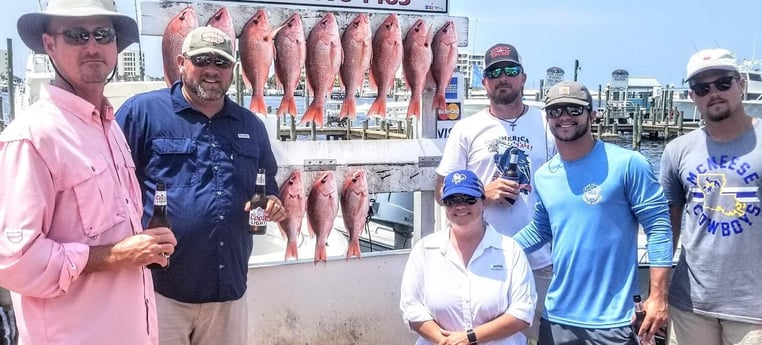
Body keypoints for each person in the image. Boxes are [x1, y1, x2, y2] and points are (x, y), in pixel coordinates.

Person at [0, 0, 177, 343]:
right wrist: (116, 256)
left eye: (102, 34)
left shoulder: (111, 129)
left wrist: (146, 244)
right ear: (49, 44)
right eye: (77, 35)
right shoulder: (31, 137)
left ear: (115, 45)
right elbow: (13, 262)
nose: (93, 46)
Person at [116, 26, 286, 345]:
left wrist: (272, 203)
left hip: (229, 291)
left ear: (232, 70)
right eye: (202, 60)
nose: (211, 70)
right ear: (181, 62)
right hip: (160, 290)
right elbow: (110, 185)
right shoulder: (142, 113)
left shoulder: (251, 125)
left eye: (220, 63)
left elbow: (267, 186)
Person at [513, 80, 673, 345]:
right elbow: (540, 230)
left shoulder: (628, 163)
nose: (564, 117)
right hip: (558, 319)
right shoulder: (544, 176)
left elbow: (658, 228)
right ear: (548, 119)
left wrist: (658, 297)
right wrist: (491, 248)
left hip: (615, 322)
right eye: (555, 111)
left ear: (592, 114)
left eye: (574, 110)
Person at [436, 43, 555, 342]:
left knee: (547, 334)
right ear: (484, 81)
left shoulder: (546, 123)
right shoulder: (466, 129)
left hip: (542, 258)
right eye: (495, 72)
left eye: (511, 70)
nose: (504, 77)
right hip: (484, 257)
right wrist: (481, 193)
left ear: (523, 77)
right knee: (490, 336)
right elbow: (441, 191)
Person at [660, 49, 762, 345]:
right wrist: (659, 292)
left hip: (754, 311)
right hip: (690, 305)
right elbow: (669, 228)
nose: (713, 93)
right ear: (692, 96)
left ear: (741, 84)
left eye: (723, 83)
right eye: (702, 88)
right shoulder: (677, 150)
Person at [401, 169, 537, 345]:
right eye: (452, 201)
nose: (460, 206)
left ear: (483, 202)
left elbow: (523, 312)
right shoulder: (424, 250)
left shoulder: (511, 250)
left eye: (469, 199)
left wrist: (469, 338)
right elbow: (411, 307)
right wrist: (446, 342)